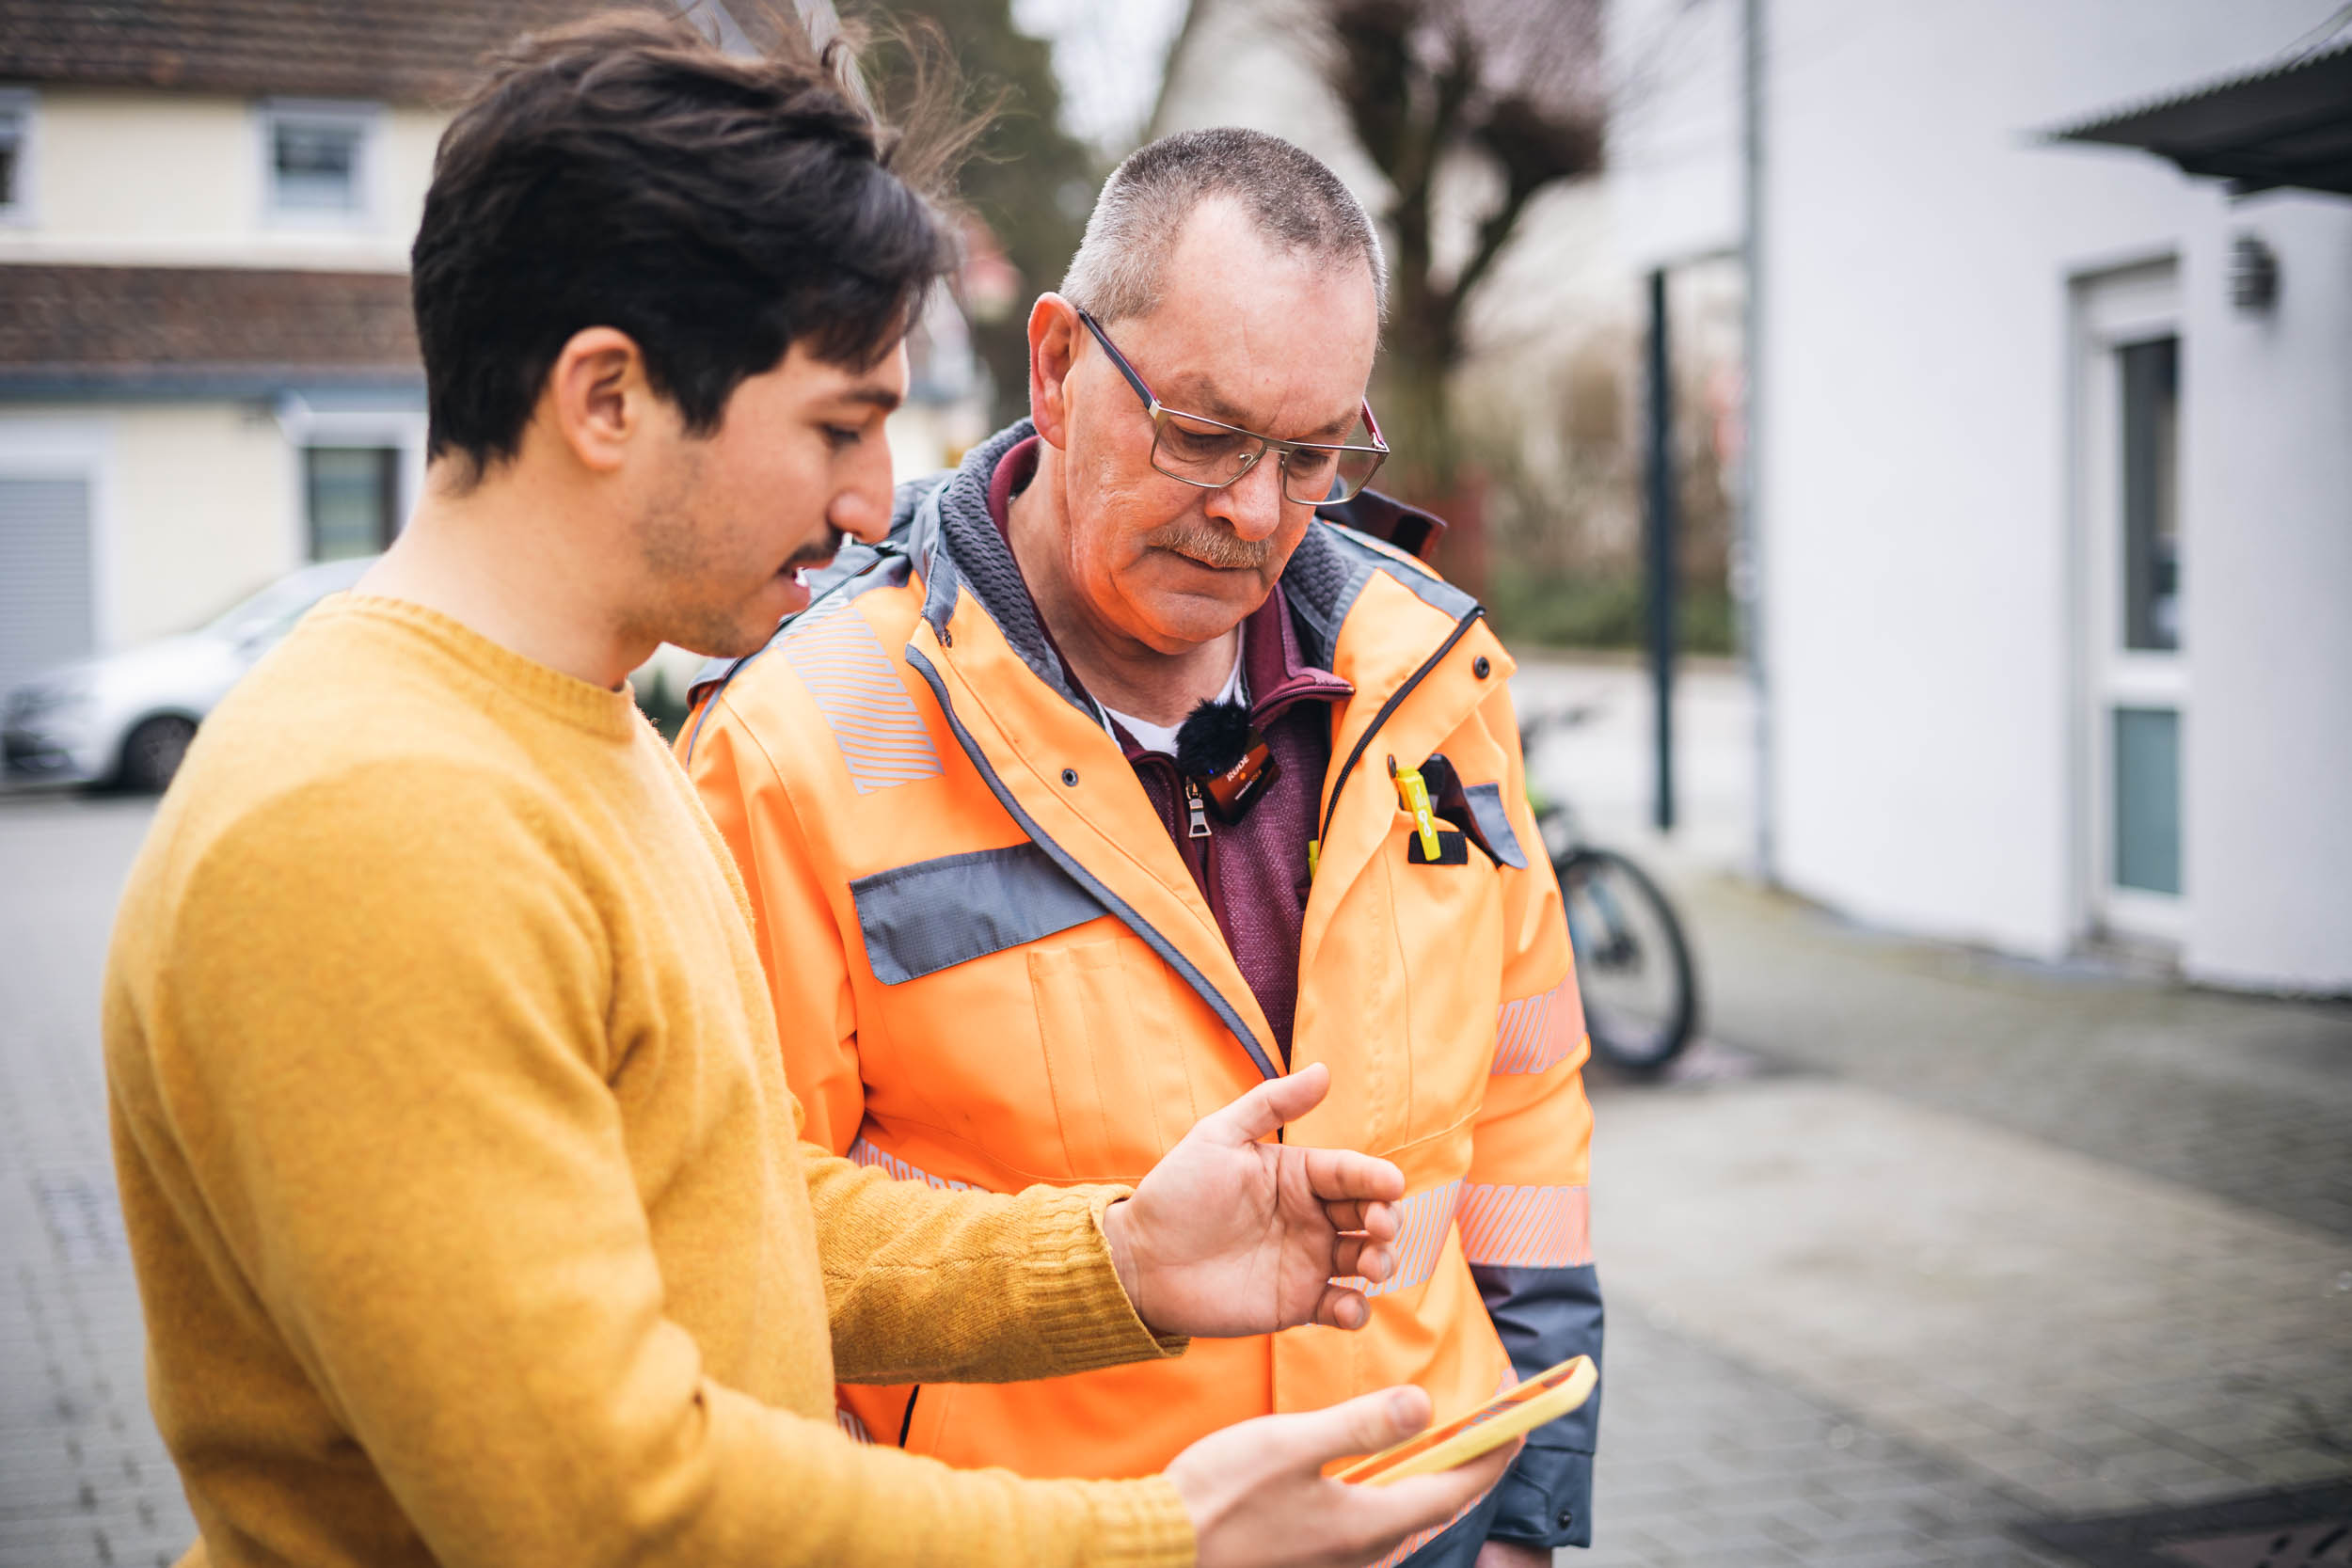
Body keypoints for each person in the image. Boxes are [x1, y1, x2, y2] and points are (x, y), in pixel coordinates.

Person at [101, 17, 1520, 1568]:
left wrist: (1114, 1257)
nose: (869, 503)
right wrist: (1158, 1543)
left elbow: (738, 1213)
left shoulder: (586, 744)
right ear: (608, 399)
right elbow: (598, 1506)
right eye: (839, 427)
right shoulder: (371, 821)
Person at [681, 127, 1603, 1568]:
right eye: (1204, 431)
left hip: (1422, 1509)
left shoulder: (1435, 678)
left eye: (1310, 454)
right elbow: (739, 1238)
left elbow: (1526, 1104)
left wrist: (1527, 1500)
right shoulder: (797, 738)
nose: (1252, 512)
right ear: (1054, 366)